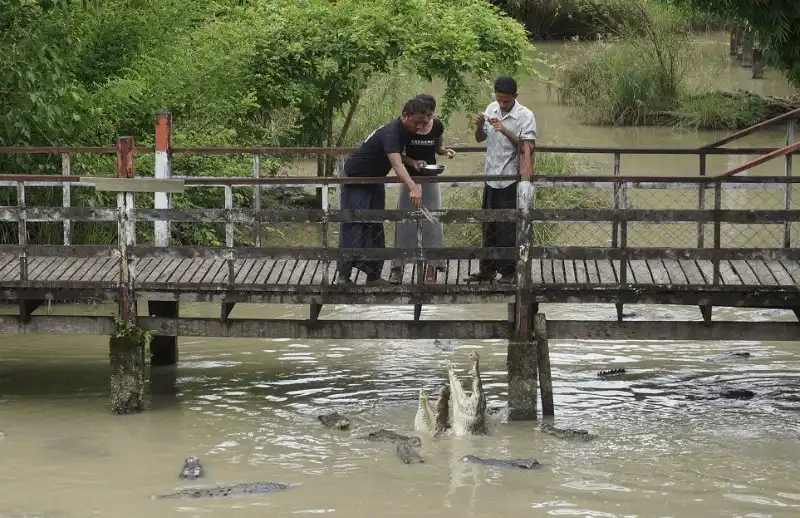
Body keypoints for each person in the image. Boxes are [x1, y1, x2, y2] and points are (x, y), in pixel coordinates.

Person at [337, 98, 431, 285]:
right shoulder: (391, 132)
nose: (420, 126)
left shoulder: (403, 130)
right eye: (417, 122)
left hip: (375, 179)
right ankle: (343, 276)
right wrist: (413, 187)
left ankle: (373, 276)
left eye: (424, 122)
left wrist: (411, 162)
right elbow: (395, 163)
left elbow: (395, 154)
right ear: (406, 116)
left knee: (375, 226)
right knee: (355, 223)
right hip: (356, 179)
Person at [464, 76, 537, 284]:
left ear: (515, 96)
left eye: (506, 101)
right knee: (488, 225)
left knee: (507, 227)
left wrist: (505, 130)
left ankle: (508, 273)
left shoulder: (525, 116)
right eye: (499, 100)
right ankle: (487, 270)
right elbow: (480, 138)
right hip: (491, 177)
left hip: (511, 178)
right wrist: (479, 126)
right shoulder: (491, 108)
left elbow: (526, 148)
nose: (502, 105)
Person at [389, 94, 456, 285]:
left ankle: (432, 266)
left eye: (429, 115)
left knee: (433, 220)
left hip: (430, 177)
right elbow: (397, 154)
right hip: (409, 178)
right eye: (423, 115)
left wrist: (445, 151)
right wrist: (413, 163)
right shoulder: (406, 127)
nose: (425, 120)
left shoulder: (437, 126)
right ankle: (397, 267)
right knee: (404, 220)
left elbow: (437, 147)